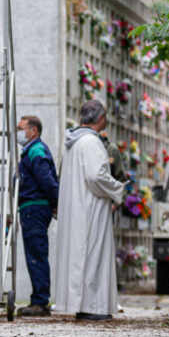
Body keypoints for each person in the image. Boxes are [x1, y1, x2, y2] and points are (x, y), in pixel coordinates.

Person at [51, 100, 125, 320]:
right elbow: (96, 176)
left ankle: (83, 304)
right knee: (93, 255)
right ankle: (94, 305)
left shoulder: (73, 143)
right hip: (91, 208)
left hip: (77, 207)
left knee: (81, 257)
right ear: (100, 118)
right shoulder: (91, 143)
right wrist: (117, 189)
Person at [15, 115, 59, 316]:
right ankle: (38, 299)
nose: (18, 132)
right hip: (32, 207)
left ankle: (40, 302)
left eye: (20, 128)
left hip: (35, 208)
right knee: (35, 253)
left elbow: (47, 181)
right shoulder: (31, 151)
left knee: (36, 254)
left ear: (33, 130)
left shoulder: (36, 151)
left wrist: (56, 203)